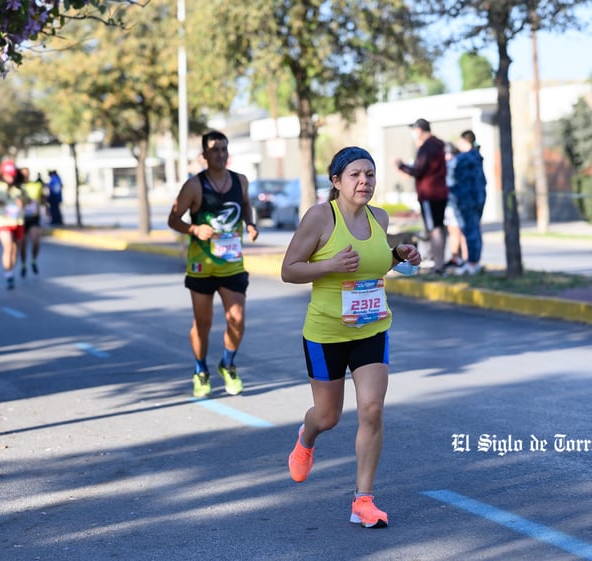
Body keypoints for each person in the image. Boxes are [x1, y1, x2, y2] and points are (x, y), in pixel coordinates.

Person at [281, 146, 421, 529]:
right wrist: (328, 265)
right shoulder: (319, 217)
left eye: (371, 175)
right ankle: (307, 436)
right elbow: (289, 270)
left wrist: (399, 256)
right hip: (326, 332)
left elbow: (374, 264)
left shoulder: (380, 217)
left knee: (372, 409)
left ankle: (363, 501)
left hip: (372, 326)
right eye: (356, 175)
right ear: (336, 181)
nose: (364, 182)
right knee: (328, 416)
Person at [167, 130, 259, 398]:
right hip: (202, 266)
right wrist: (194, 229)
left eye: (224, 149)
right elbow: (173, 220)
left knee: (237, 319)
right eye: (214, 149)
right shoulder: (194, 186)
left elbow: (245, 205)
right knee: (203, 323)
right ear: (204, 155)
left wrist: (250, 224)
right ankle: (200, 370)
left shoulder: (240, 181)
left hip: (232, 264)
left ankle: (228, 364)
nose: (220, 154)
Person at [394, 118, 448, 274]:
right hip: (439, 192)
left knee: (434, 229)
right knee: (437, 227)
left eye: (414, 129)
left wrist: (401, 166)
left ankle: (438, 266)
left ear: (419, 130)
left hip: (430, 193)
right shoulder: (437, 145)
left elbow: (418, 170)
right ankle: (438, 263)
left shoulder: (427, 147)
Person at [451, 129, 487, 276]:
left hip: (466, 200)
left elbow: (456, 178)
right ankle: (474, 262)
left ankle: (472, 263)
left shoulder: (464, 158)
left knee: (470, 231)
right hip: (478, 198)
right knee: (475, 231)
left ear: (465, 141)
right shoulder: (477, 156)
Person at [0, 160, 28, 290]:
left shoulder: (20, 187)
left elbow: (28, 200)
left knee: (15, 250)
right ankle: (8, 275)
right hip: (3, 221)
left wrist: (23, 202)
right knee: (8, 246)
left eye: (12, 175)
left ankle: (11, 270)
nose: (10, 177)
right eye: (8, 175)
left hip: (18, 221)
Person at [442, 141, 466, 271]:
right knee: (455, 230)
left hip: (454, 201)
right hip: (453, 201)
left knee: (456, 230)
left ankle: (458, 258)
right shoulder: (455, 163)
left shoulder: (453, 164)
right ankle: (458, 257)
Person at [19, 167, 45, 276]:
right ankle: (23, 264)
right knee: (23, 244)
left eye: (27, 174)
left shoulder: (37, 186)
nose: (25, 176)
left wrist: (44, 205)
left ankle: (33, 260)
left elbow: (42, 199)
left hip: (34, 218)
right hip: (21, 219)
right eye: (23, 174)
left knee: (35, 241)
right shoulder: (17, 188)